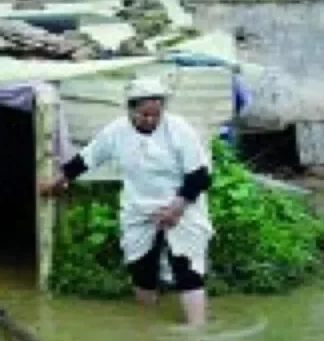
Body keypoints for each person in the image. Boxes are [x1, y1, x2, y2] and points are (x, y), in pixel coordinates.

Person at [42, 76, 213, 327]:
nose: (150, 120)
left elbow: (199, 176)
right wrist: (57, 181)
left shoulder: (179, 129)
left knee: (186, 268)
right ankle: (147, 327)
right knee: (141, 268)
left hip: (183, 204)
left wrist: (176, 209)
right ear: (131, 109)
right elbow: (87, 158)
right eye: (144, 115)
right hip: (139, 207)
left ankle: (197, 330)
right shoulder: (116, 131)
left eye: (156, 115)